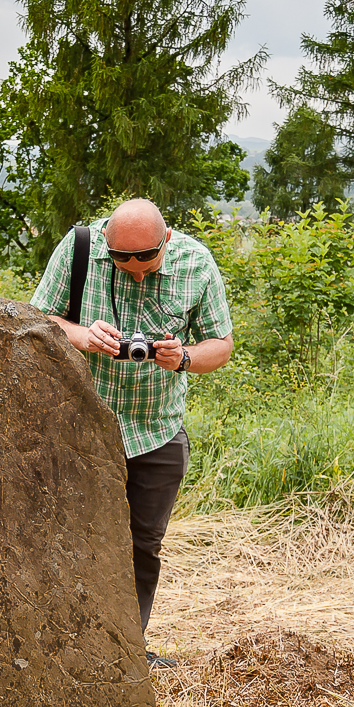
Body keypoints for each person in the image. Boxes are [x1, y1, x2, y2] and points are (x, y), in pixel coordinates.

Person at [30, 197, 233, 668]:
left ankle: (125, 648)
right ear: (106, 242)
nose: (136, 270)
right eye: (123, 259)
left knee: (143, 544)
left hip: (157, 429)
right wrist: (82, 337)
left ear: (166, 241)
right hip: (79, 427)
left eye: (147, 258)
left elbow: (220, 346)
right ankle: (62, 642)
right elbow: (38, 319)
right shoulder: (79, 247)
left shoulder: (195, 263)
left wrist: (183, 357)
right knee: (70, 536)